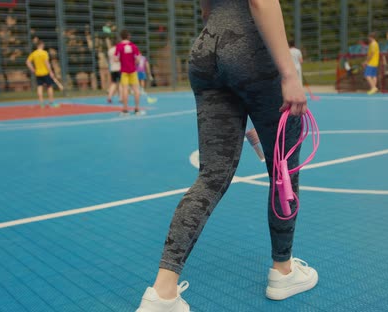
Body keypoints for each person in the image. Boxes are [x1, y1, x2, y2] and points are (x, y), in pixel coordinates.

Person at [135, 0, 314, 311]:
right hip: (253, 51)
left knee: (210, 177)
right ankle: (283, 271)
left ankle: (162, 293)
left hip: (208, 50)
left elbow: (209, 10)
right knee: (283, 170)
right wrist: (288, 73)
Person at [115, 29, 143, 116]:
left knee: (124, 90)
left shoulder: (119, 46)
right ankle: (137, 109)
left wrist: (122, 60)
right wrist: (134, 62)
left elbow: (115, 59)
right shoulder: (133, 46)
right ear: (128, 36)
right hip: (133, 71)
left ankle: (125, 110)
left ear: (121, 37)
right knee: (136, 90)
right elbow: (138, 59)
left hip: (124, 71)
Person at [26, 41, 58, 108]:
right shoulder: (44, 53)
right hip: (45, 72)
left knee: (39, 87)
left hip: (38, 73)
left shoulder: (34, 53)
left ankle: (41, 103)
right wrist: (51, 72)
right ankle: (51, 103)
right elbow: (47, 63)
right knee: (49, 87)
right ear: (41, 45)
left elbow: (28, 62)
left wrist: (33, 69)